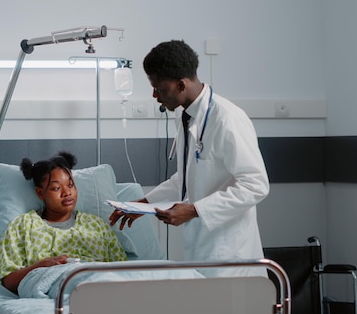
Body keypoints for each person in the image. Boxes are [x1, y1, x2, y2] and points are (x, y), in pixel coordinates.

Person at [109, 40, 270, 277]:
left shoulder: (227, 119)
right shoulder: (188, 117)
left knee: (230, 312)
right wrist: (144, 204)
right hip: (202, 247)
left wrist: (194, 210)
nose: (155, 96)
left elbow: (256, 185)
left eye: (160, 89)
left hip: (230, 251)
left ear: (181, 85)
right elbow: (186, 178)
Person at [0, 151, 127, 294]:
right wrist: (40, 266)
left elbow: (124, 271)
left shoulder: (96, 225)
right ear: (40, 193)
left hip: (99, 286)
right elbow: (8, 281)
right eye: (56, 188)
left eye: (71, 185)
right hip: (55, 288)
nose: (67, 192)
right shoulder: (23, 225)